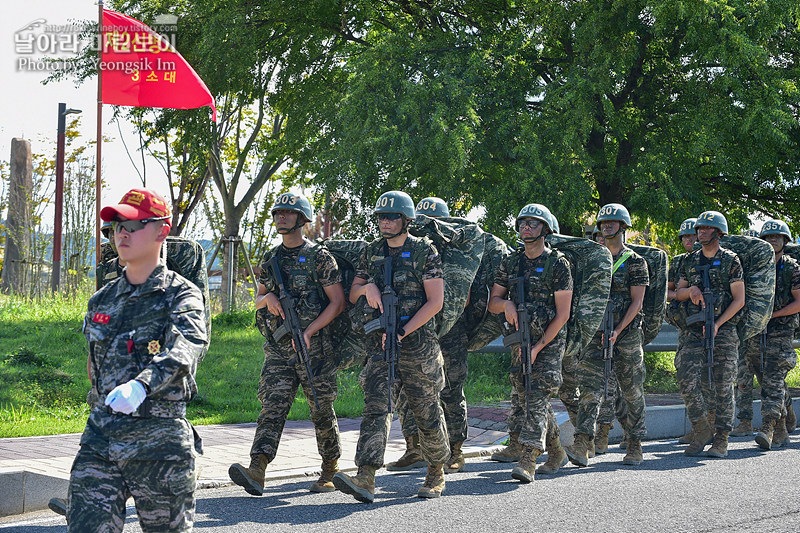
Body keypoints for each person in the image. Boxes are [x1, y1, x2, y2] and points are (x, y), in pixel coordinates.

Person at [67, 188, 208, 532]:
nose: (122, 234)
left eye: (133, 224)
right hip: (102, 438)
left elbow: (187, 346)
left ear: (162, 230)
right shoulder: (101, 300)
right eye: (117, 226)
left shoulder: (181, 294)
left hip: (158, 443)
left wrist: (142, 386)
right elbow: (95, 364)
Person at [333, 191, 449, 501]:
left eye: (392, 217)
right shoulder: (371, 251)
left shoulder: (425, 251)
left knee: (426, 411)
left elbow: (435, 302)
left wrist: (403, 330)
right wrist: (366, 288)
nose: (386, 222)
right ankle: (366, 475)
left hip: (418, 345)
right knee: (376, 406)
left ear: (406, 220)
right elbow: (354, 290)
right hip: (379, 343)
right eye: (382, 217)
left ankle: (436, 469)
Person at [229, 193, 346, 495]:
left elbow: (337, 303)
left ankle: (330, 469)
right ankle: (258, 468)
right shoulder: (271, 260)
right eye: (277, 213)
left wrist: (310, 331)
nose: (281, 217)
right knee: (273, 405)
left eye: (288, 213)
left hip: (315, 348)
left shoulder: (320, 257)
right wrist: (266, 298)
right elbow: (259, 298)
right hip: (280, 348)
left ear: (302, 219)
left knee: (320, 409)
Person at [488, 203, 572, 482]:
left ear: (545, 229)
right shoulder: (511, 262)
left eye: (533, 223)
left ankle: (528, 458)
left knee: (538, 391)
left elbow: (563, 314)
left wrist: (538, 348)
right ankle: (557, 450)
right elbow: (494, 302)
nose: (526, 226)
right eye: (523, 222)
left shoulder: (558, 264)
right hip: (519, 338)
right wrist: (507, 305)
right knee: (525, 395)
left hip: (549, 339)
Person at [387, 196, 470, 474]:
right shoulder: (413, 249)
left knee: (449, 390)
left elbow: (460, 295)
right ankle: (415, 448)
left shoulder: (457, 253)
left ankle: (455, 450)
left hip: (450, 330)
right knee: (405, 391)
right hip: (416, 330)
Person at [566, 203, 649, 467]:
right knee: (590, 388)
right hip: (595, 332)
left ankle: (634, 443)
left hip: (626, 334)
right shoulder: (593, 261)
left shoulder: (636, 262)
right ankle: (582, 442)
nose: (607, 226)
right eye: (603, 223)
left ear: (623, 227)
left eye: (613, 222)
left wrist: (618, 330)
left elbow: (637, 303)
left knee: (632, 389)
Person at [675, 210, 745, 457]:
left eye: (705, 229)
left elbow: (739, 299)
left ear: (718, 232)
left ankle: (722, 438)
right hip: (695, 328)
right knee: (685, 375)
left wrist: (718, 323)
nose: (700, 232)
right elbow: (676, 293)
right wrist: (690, 291)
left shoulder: (730, 260)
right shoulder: (689, 261)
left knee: (723, 384)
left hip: (724, 330)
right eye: (698, 229)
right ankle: (702, 428)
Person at [745, 220, 800, 449]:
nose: (773, 240)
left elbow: (798, 302)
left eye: (777, 237)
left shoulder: (792, 267)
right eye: (768, 237)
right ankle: (786, 416)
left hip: (781, 330)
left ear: (785, 240)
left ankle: (767, 427)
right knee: (763, 376)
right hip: (757, 330)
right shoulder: (756, 267)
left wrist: (774, 315)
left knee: (773, 378)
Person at [668, 218, 716, 445]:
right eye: (685, 236)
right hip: (686, 326)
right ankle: (700, 426)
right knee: (687, 378)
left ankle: (710, 427)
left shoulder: (713, 259)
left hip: (712, 327)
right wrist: (685, 293)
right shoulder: (679, 263)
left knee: (710, 381)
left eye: (692, 236)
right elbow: (668, 294)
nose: (689, 240)